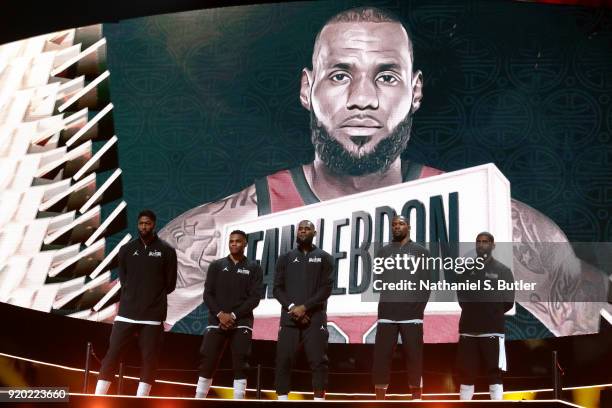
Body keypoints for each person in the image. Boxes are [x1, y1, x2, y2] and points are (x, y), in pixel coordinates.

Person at [159, 6, 610, 341]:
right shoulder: (228, 227)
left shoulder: (488, 220)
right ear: (306, 88)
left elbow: (591, 336)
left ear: (415, 92)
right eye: (339, 75)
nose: (363, 100)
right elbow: (114, 335)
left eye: (386, 77)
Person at [95, 209, 177, 396]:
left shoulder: (167, 251)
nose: (144, 226)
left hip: (152, 317)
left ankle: (141, 400)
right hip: (126, 314)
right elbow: (124, 280)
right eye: (141, 223)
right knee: (112, 354)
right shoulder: (126, 250)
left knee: (150, 359)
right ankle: (97, 395)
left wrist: (152, 296)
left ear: (154, 224)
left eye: (147, 223)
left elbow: (170, 284)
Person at [194, 230, 263, 399]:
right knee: (207, 362)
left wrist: (232, 315)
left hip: (241, 322)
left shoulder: (254, 267)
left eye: (238, 241)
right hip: (216, 321)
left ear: (245, 243)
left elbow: (255, 298)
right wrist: (220, 314)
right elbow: (207, 294)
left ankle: (238, 401)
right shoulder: (216, 265)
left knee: (241, 364)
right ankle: (198, 400)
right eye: (231, 241)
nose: (234, 244)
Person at [372, 215, 431, 400]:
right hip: (387, 313)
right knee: (382, 357)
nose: (397, 227)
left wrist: (417, 308)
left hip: (412, 315)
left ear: (409, 227)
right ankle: (380, 398)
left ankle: (416, 397)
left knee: (414, 357)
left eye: (401, 224)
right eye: (394, 224)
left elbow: (427, 283)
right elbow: (379, 280)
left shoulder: (421, 252)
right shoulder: (383, 252)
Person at [273, 220, 333, 400]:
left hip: (315, 319)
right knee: (283, 361)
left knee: (318, 362)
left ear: (314, 233)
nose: (303, 231)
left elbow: (326, 289)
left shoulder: (325, 257)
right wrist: (293, 308)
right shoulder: (285, 258)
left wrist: (305, 308)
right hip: (289, 319)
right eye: (300, 229)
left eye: (307, 229)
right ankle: (282, 400)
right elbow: (277, 288)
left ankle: (319, 400)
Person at [456, 232, 515, 400]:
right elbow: (462, 297)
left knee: (494, 373)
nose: (481, 245)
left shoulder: (503, 271)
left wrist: (491, 312)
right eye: (478, 242)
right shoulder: (465, 270)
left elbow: (508, 301)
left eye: (485, 242)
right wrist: (476, 312)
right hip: (468, 330)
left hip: (492, 330)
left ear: (493, 246)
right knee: (466, 374)